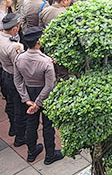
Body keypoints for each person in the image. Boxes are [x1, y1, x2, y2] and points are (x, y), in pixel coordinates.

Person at [13, 27, 64, 165]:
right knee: (48, 126)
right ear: (38, 42)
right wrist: (38, 103)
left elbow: (17, 81)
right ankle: (50, 154)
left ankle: (31, 152)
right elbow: (49, 85)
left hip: (29, 92)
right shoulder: (46, 61)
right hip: (45, 95)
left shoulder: (19, 58)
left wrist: (27, 99)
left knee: (31, 124)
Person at [0, 14, 26, 147]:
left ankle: (13, 127)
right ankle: (20, 136)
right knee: (19, 107)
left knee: (10, 103)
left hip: (5, 73)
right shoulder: (15, 46)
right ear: (15, 28)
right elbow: (20, 65)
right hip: (14, 76)